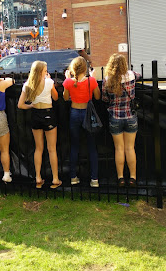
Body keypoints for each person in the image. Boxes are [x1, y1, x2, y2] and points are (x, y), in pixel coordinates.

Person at [18, 61, 61, 189]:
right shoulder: (49, 82)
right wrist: (49, 80)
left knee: (38, 148)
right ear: (42, 71)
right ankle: (55, 178)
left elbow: (20, 105)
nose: (46, 72)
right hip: (48, 114)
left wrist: (31, 105)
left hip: (35, 114)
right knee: (52, 148)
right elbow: (56, 97)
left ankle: (37, 177)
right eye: (45, 70)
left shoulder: (28, 85)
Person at [102, 53, 140, 187]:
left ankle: (120, 178)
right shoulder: (131, 76)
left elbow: (105, 99)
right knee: (130, 148)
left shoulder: (107, 80)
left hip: (115, 117)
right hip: (130, 116)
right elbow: (138, 74)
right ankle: (133, 177)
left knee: (119, 148)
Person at [63, 56, 101, 187]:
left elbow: (65, 98)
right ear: (85, 68)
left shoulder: (68, 82)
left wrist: (67, 80)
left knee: (74, 145)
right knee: (92, 146)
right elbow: (97, 96)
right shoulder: (91, 81)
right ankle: (94, 179)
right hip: (87, 113)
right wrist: (93, 79)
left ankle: (73, 176)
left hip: (74, 112)